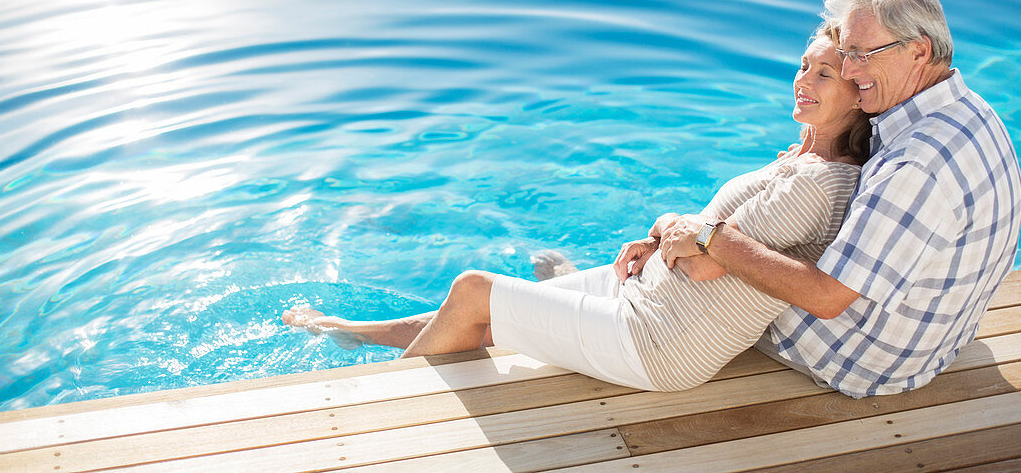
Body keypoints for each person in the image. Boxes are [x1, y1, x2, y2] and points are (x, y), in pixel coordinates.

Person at [283, 27, 870, 392]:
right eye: (803, 65)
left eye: (825, 75)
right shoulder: (799, 160)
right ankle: (350, 333)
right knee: (473, 314)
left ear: (857, 96)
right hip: (649, 304)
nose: (803, 81)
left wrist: (676, 231)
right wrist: (671, 234)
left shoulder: (818, 184)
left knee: (474, 291)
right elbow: (706, 239)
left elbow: (706, 261)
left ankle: (387, 406)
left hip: (659, 343)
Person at [658, 0, 1021, 397]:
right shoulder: (971, 111)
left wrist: (707, 238)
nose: (850, 69)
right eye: (847, 53)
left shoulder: (914, 165)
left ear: (919, 51)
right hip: (937, 344)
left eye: (863, 55)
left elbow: (826, 298)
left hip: (861, 359)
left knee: (710, 259)